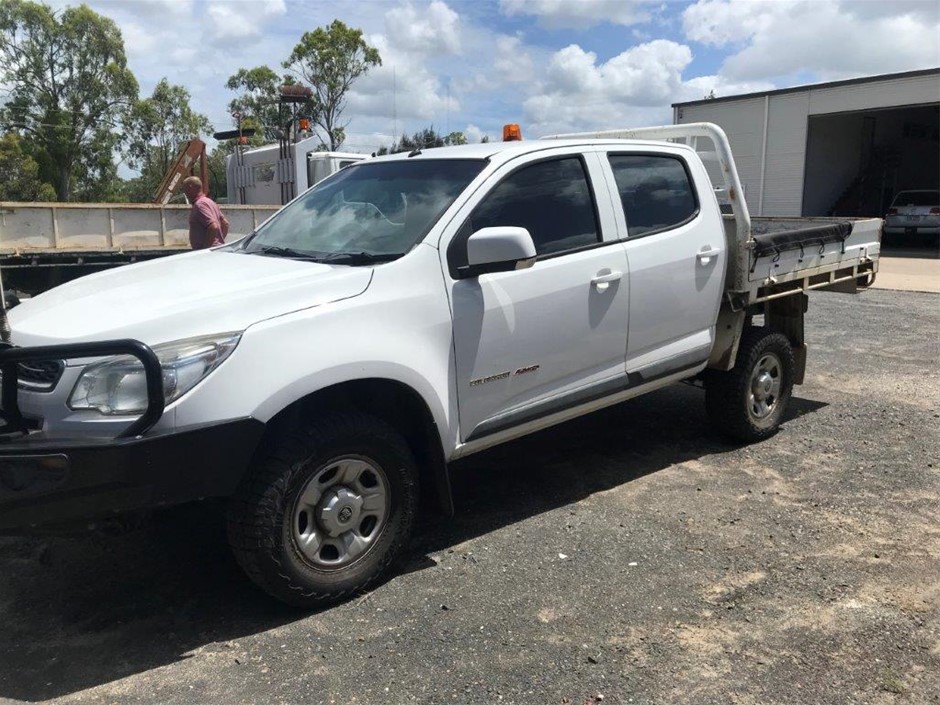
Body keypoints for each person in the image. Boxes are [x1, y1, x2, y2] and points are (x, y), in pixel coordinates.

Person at [182, 176, 229, 250]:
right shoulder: (210, 202)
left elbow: (213, 226)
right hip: (216, 250)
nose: (185, 193)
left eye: (185, 189)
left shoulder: (200, 205)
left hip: (207, 254)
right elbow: (225, 224)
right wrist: (219, 242)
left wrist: (205, 249)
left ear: (190, 188)